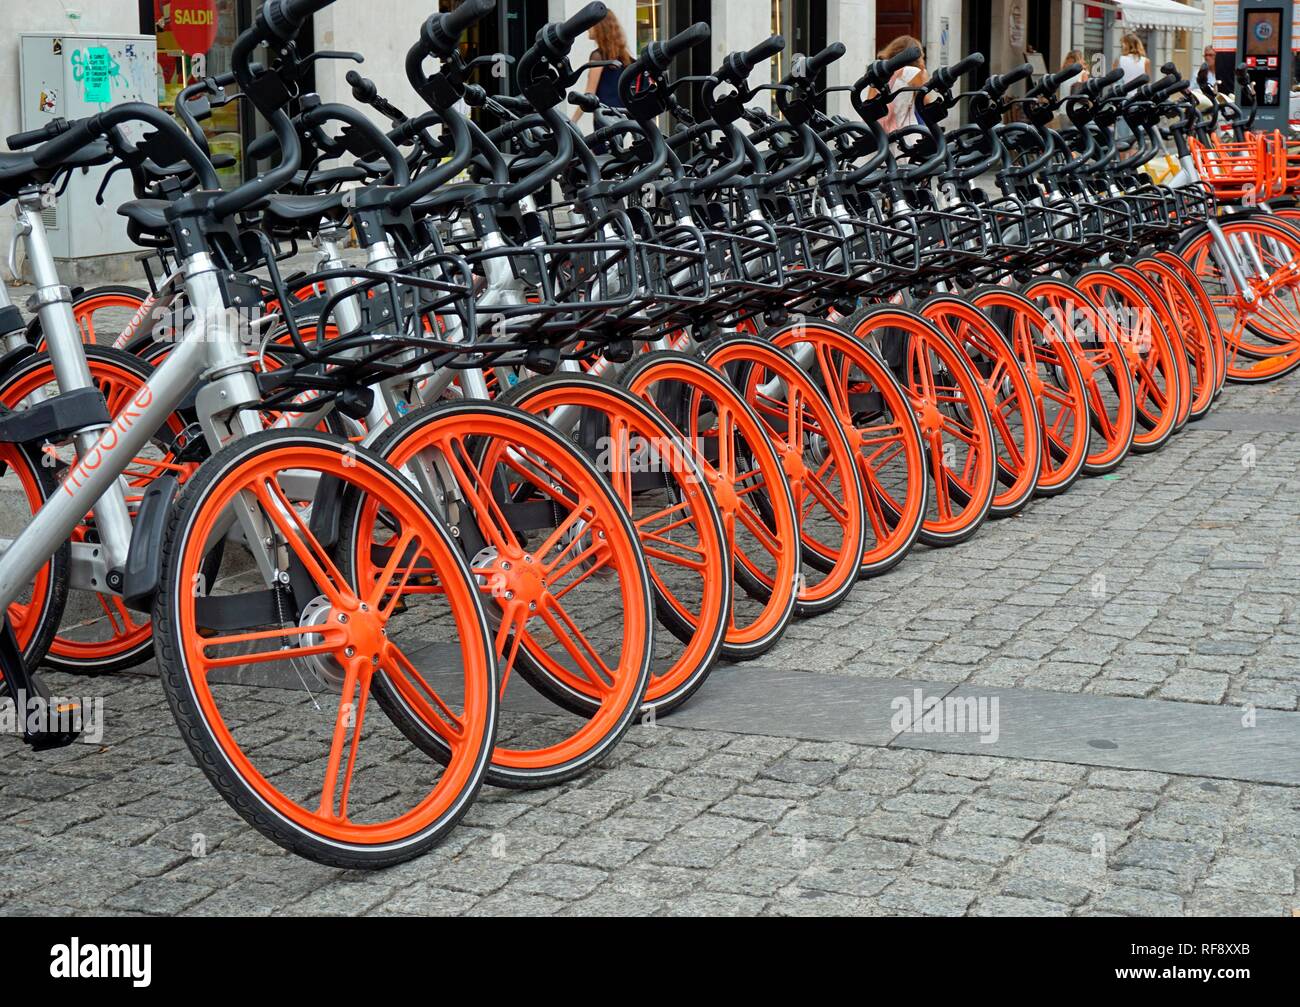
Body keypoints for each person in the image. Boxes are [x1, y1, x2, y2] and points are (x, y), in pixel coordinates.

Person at [571, 10, 634, 122]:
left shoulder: (598, 57)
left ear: (600, 27)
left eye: (591, 25)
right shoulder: (624, 57)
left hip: (605, 117)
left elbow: (590, 94)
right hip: (622, 117)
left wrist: (572, 121)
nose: (587, 28)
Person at [878, 35, 927, 136]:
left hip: (880, 133)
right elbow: (926, 102)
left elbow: (869, 100)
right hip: (906, 132)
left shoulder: (879, 71)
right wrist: (924, 75)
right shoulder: (913, 72)